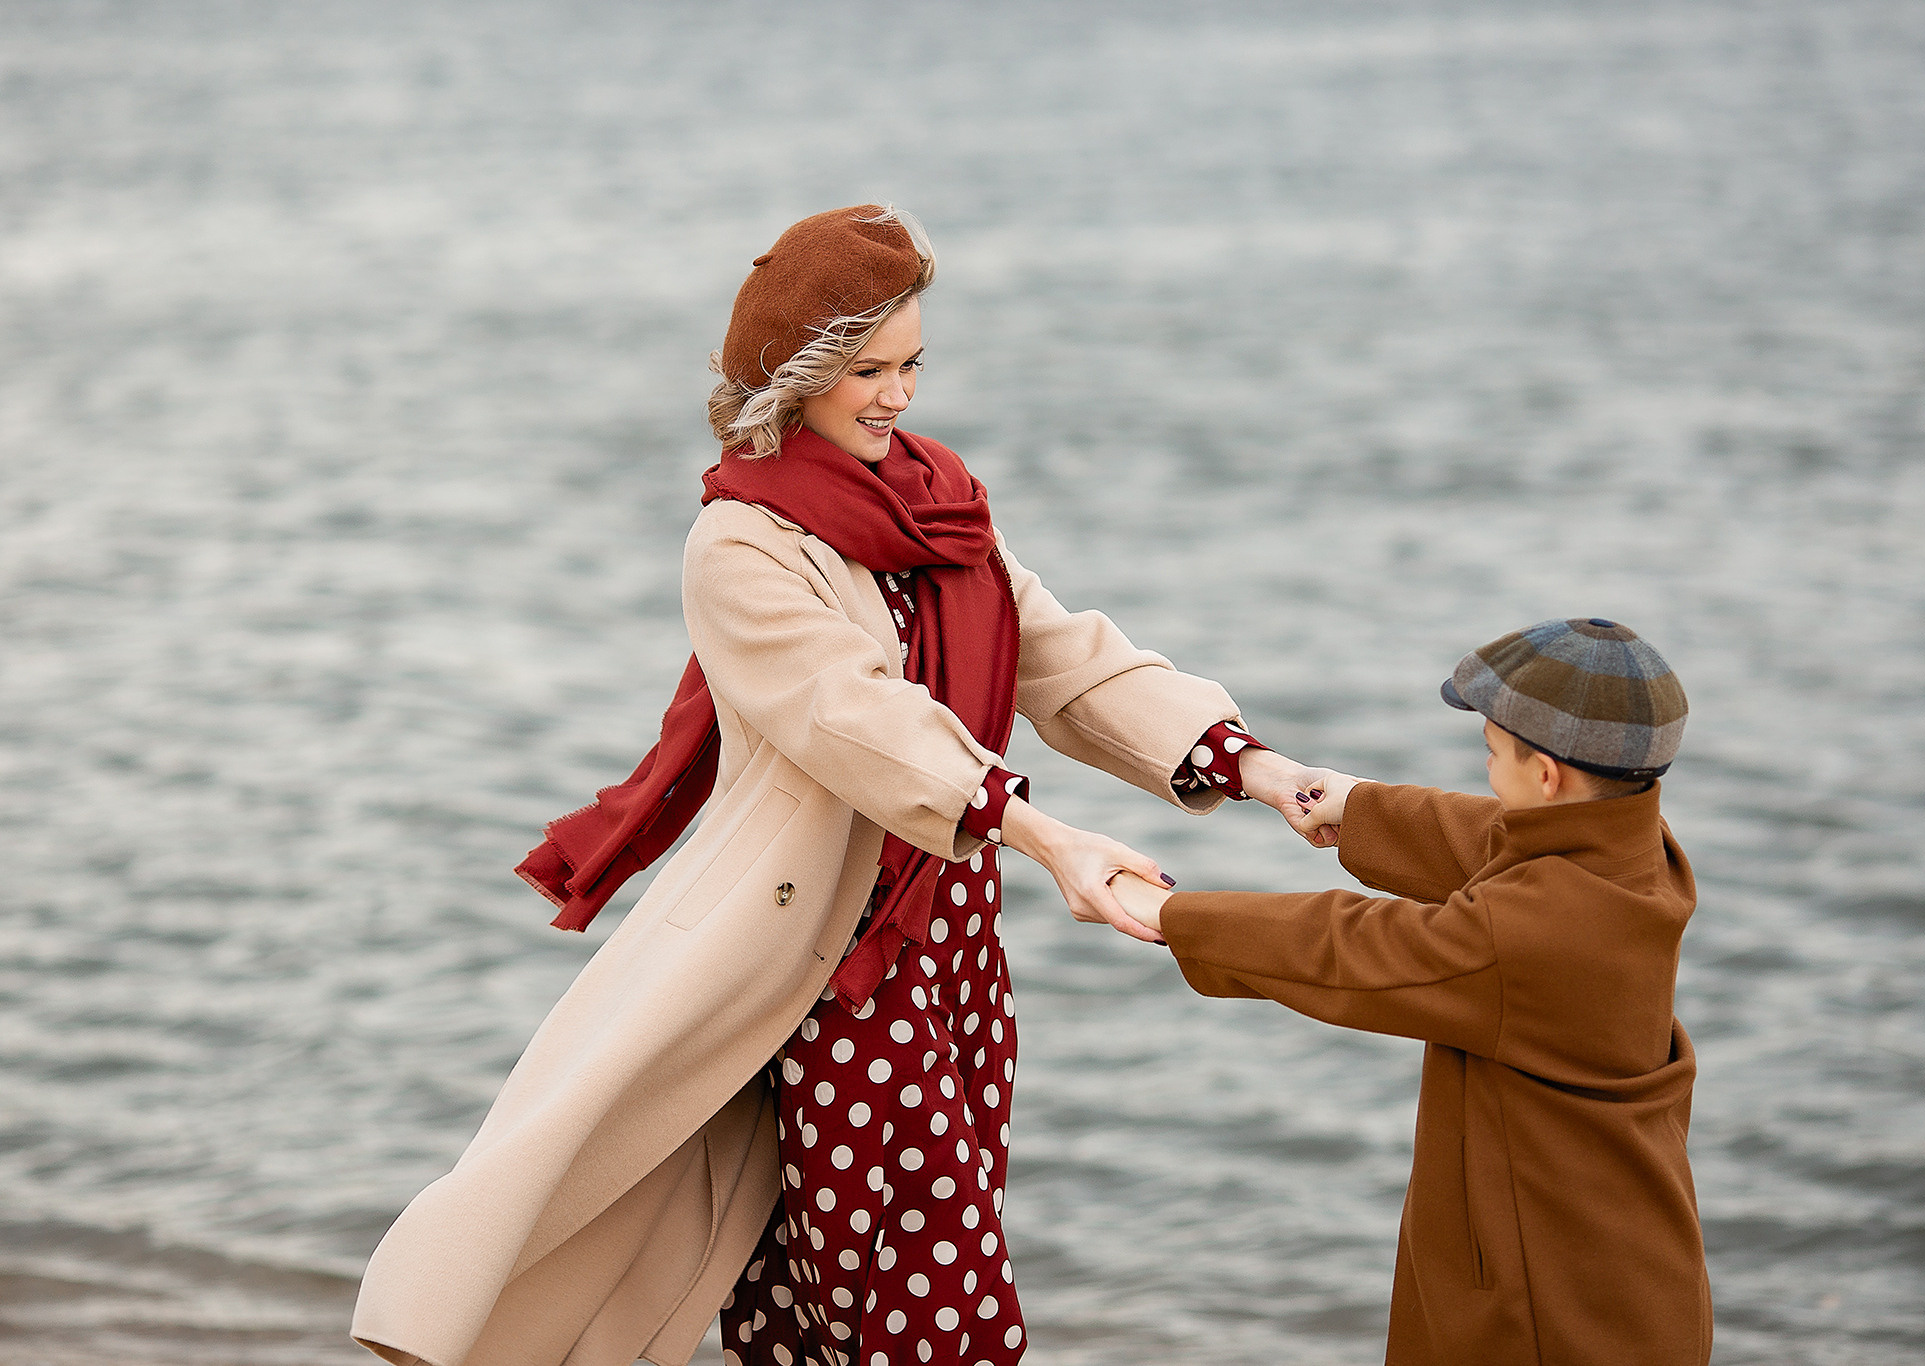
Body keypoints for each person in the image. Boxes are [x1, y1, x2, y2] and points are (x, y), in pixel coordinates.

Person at [351, 204, 1332, 1366]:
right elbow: (853, 718)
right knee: (935, 1315)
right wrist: (1041, 833)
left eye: (912, 363)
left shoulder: (939, 502)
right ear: (796, 375)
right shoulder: (740, 546)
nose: (897, 394)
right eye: (867, 368)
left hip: (952, 946)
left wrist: (1257, 768)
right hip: (826, 960)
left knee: (829, 1300)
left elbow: (1061, 657)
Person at [1108, 618, 1713, 1366]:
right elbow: (1493, 839)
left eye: (1493, 755)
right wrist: (1352, 804)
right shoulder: (1639, 858)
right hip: (1626, 1272)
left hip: (1546, 1307)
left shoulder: (1528, 933)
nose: (1487, 772)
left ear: (1548, 775)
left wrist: (1172, 915)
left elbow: (1356, 949)